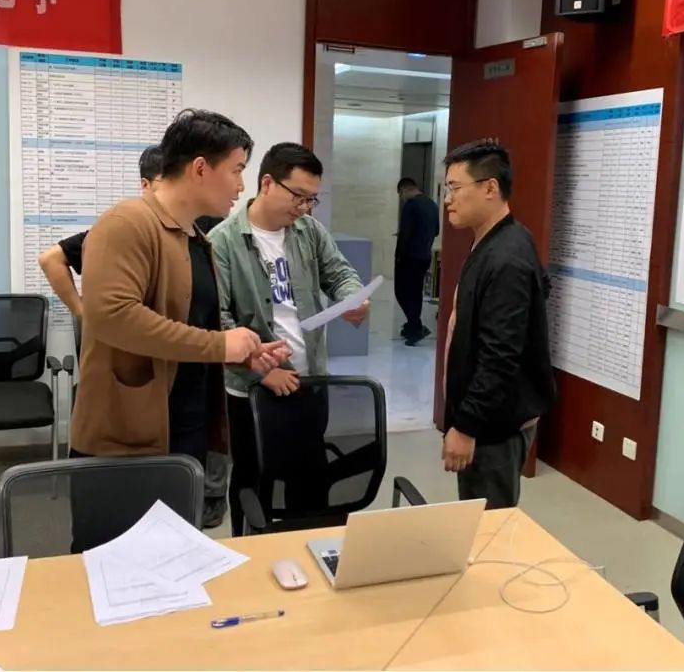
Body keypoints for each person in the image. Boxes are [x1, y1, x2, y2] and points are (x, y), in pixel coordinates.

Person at [69, 109, 288, 550]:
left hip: (182, 429)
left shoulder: (194, 238)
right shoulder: (127, 223)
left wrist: (242, 352)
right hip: (126, 441)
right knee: (116, 563)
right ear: (200, 168)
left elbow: (191, 327)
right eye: (237, 170)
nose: (241, 185)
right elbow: (112, 315)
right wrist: (218, 345)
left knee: (173, 558)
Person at [211, 142, 369, 536]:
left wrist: (352, 297)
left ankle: (304, 549)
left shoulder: (308, 231)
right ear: (267, 183)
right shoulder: (223, 241)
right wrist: (262, 373)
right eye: (298, 196)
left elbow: (339, 272)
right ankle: (252, 551)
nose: (304, 207)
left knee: (309, 478)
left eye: (311, 199)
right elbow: (218, 321)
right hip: (251, 391)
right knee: (253, 481)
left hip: (309, 380)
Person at [440, 140, 555, 509]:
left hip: (492, 429)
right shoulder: (497, 240)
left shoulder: (506, 256)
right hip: (488, 420)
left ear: (490, 188)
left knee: (487, 526)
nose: (448, 200)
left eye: (455, 188)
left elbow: (499, 355)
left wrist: (467, 426)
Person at [37, 145, 222, 319]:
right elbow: (51, 259)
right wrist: (80, 311)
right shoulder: (126, 227)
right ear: (145, 185)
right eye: (167, 183)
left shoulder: (200, 226)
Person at [395, 177, 440, 346]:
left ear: (404, 190)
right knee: (415, 292)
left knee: (402, 292)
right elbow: (436, 231)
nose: (402, 198)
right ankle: (411, 325)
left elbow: (405, 235)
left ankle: (416, 327)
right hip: (424, 256)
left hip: (409, 257)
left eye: (400, 194)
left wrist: (398, 256)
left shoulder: (411, 205)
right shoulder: (432, 205)